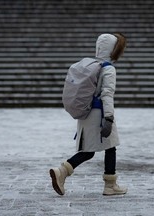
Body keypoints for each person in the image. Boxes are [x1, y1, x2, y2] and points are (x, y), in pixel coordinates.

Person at [49, 33, 127, 196]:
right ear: (113, 50)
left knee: (92, 150)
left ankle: (65, 172)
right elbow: (107, 94)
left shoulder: (91, 65)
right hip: (100, 115)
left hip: (86, 113)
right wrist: (109, 118)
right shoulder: (108, 69)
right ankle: (64, 171)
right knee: (107, 148)